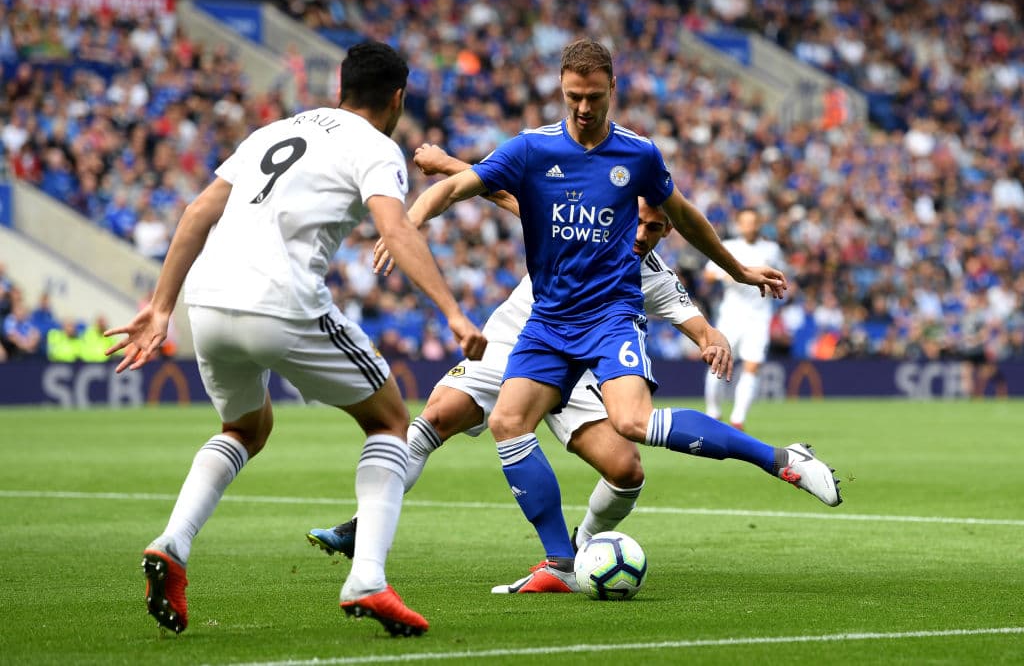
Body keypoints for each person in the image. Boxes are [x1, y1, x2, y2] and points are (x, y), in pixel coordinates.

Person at [383, 39, 841, 593]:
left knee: (633, 425)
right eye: (574, 96)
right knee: (508, 423)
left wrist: (738, 268)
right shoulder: (532, 149)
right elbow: (460, 187)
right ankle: (560, 563)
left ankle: (780, 459)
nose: (583, 108)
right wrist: (409, 218)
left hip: (609, 317)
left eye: (594, 97)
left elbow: (685, 216)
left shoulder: (638, 155)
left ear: (612, 91)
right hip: (547, 322)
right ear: (560, 88)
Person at [104, 41, 486, 637]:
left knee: (245, 429)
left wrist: (160, 307)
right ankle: (368, 579)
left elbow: (201, 209)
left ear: (340, 87)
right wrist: (454, 313)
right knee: (389, 421)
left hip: (207, 302)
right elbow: (396, 228)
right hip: (280, 304)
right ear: (397, 99)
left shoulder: (272, 131)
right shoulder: (377, 147)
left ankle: (172, 544)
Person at [703, 208, 785, 430]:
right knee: (718, 363)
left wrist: (773, 286)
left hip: (759, 316)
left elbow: (781, 278)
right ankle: (713, 413)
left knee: (752, 366)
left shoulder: (772, 249)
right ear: (739, 225)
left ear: (759, 223)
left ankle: (738, 419)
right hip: (732, 315)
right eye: (745, 222)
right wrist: (727, 274)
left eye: (753, 222)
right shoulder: (729, 247)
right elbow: (708, 273)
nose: (750, 226)